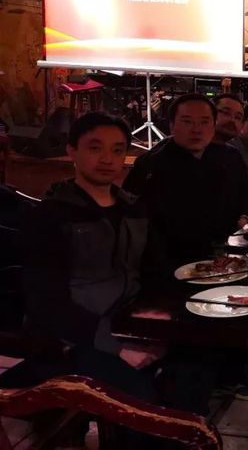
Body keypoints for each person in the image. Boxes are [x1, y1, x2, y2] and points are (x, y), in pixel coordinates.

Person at [17, 112, 165, 445]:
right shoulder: (52, 215)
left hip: (127, 324)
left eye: (117, 150)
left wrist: (157, 319)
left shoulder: (133, 208)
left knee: (193, 373)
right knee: (141, 403)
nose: (107, 159)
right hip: (69, 339)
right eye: (95, 148)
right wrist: (118, 347)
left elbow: (153, 273)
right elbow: (46, 303)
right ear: (72, 151)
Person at [124, 94, 248, 273]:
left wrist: (244, 217)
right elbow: (138, 228)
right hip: (169, 269)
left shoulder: (230, 156)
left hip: (223, 261)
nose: (197, 130)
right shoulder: (151, 165)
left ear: (213, 125)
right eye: (187, 121)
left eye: (204, 122)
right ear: (171, 125)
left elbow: (246, 196)